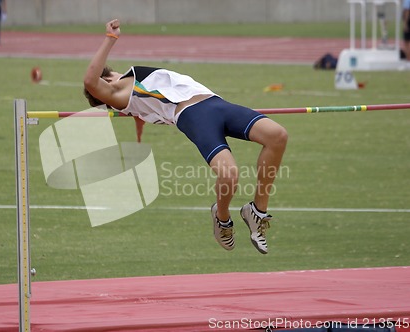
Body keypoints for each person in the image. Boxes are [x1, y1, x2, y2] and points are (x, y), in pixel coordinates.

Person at [83, 19, 288, 254]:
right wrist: (110, 39)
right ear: (105, 86)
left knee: (277, 136)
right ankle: (221, 219)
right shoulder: (118, 94)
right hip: (193, 115)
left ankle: (256, 212)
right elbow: (90, 80)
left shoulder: (131, 81)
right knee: (229, 173)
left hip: (215, 102)